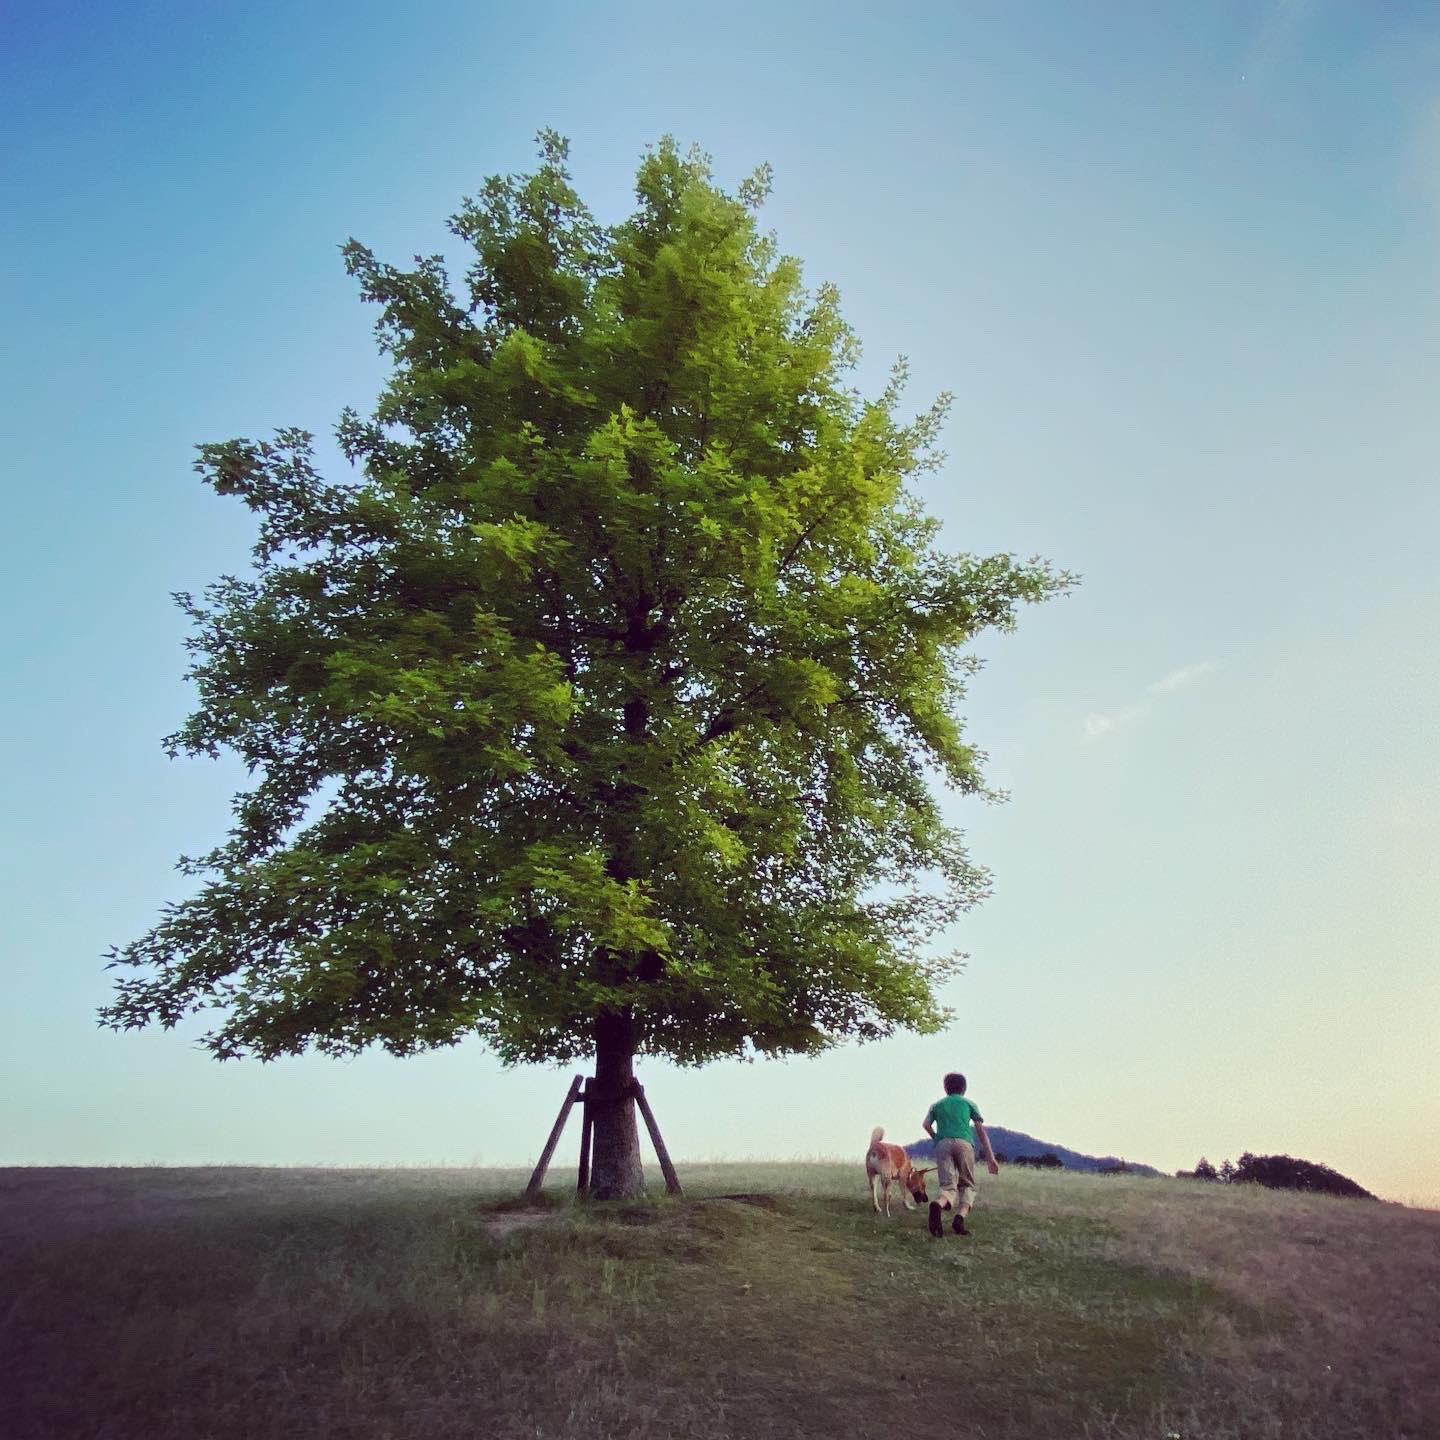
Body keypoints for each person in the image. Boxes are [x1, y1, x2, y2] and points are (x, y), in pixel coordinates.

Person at [921, 1071, 998, 1237]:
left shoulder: (936, 1105)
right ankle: (959, 1219)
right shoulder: (970, 1104)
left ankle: (938, 1204)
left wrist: (937, 1138)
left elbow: (926, 1124)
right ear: (964, 1088)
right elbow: (981, 1132)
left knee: (948, 1185)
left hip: (943, 1144)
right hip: (964, 1144)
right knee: (967, 1184)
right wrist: (990, 1157)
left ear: (945, 1088)